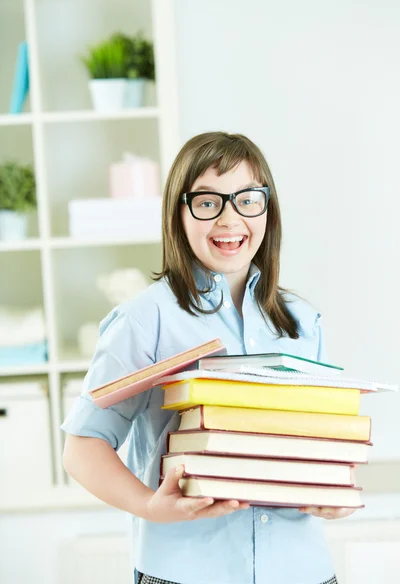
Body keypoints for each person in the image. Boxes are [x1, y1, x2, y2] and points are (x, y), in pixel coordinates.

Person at [62, 132, 354, 584]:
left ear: (267, 209)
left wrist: (334, 489)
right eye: (207, 202)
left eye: (247, 200)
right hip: (186, 571)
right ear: (178, 213)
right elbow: (82, 447)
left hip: (303, 570)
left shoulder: (302, 320)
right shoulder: (144, 319)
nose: (229, 218)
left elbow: (321, 442)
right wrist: (147, 506)